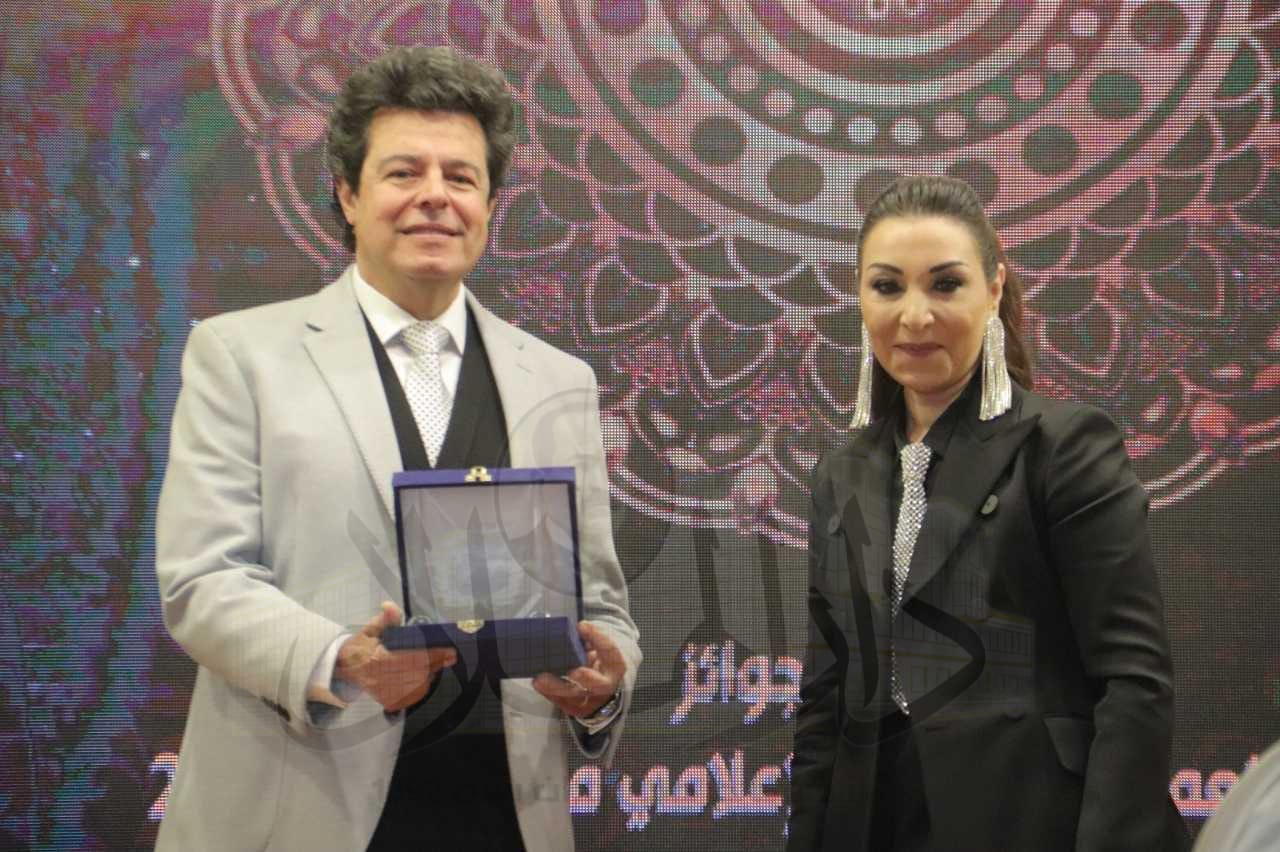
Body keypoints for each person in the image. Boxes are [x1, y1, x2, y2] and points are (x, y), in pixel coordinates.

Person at [154, 46, 641, 851]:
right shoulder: (241, 355)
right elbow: (201, 581)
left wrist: (601, 684)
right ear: (348, 194)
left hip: (504, 816)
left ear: (490, 205)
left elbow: (601, 606)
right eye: (403, 173)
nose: (434, 197)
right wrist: (339, 658)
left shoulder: (560, 381)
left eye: (461, 177)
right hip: (301, 811)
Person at [787, 175, 1189, 851]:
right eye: (887, 286)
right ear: (859, 296)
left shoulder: (1064, 447)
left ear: (994, 289)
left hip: (1034, 824)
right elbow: (826, 700)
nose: (914, 316)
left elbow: (1133, 683)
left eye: (945, 284)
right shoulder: (842, 473)